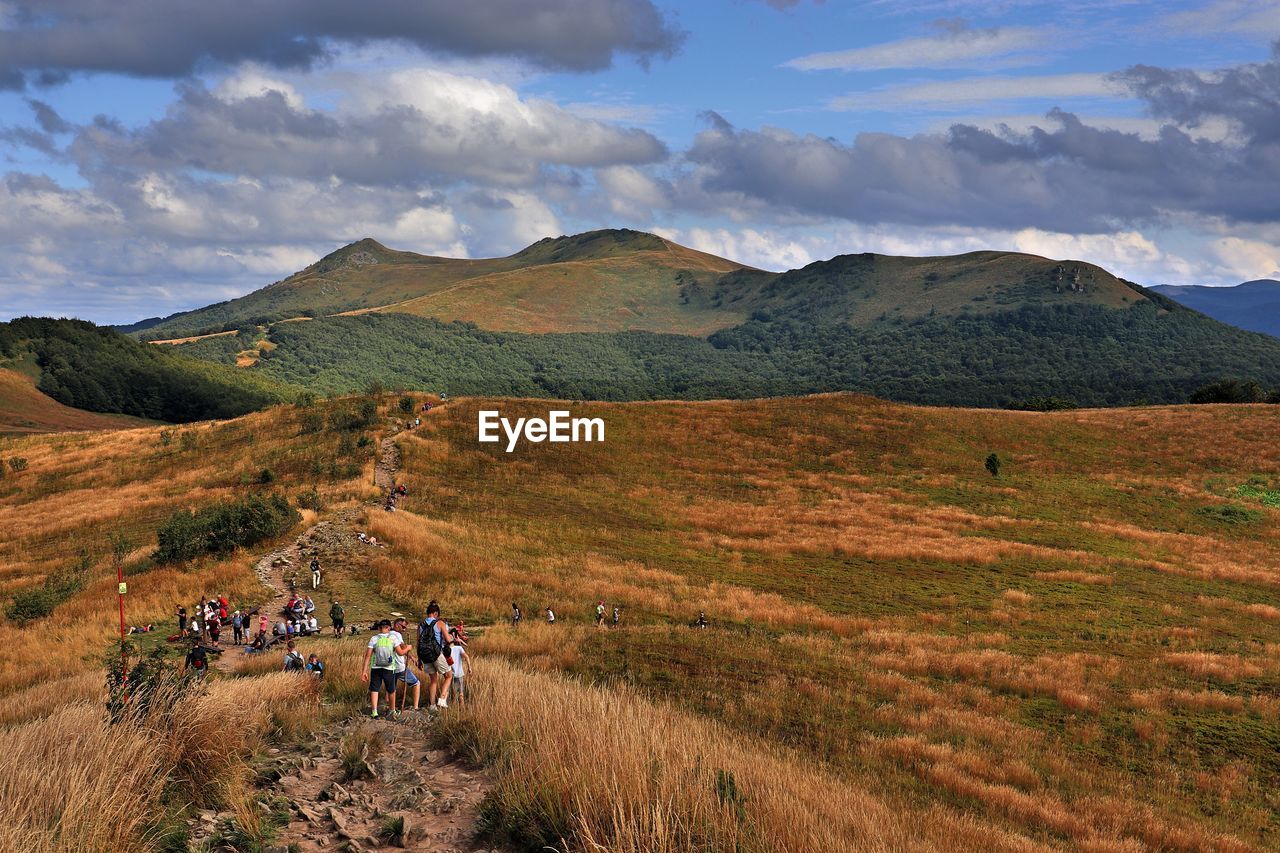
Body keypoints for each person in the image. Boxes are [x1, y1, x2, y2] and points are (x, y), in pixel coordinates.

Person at [361, 619, 402, 719]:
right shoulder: (393, 637)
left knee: (375, 689)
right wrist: (408, 648)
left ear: (379, 628)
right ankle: (392, 711)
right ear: (389, 627)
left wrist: (364, 671)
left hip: (376, 667)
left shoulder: (374, 639)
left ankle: (374, 712)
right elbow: (400, 652)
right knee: (391, 690)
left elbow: (368, 655)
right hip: (389, 668)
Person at [417, 602, 453, 710]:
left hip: (425, 655)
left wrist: (419, 659)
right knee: (449, 675)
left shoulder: (420, 625)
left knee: (433, 680)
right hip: (436, 654)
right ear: (436, 613)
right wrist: (451, 638)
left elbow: (418, 643)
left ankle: (432, 705)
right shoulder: (440, 623)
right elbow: (448, 639)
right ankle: (442, 699)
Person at [391, 617, 421, 712]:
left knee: (391, 688)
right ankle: (415, 707)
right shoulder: (397, 635)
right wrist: (409, 649)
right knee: (416, 683)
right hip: (399, 666)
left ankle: (389, 707)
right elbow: (403, 648)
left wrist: (411, 658)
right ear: (396, 625)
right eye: (403, 627)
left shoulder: (387, 634)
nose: (405, 629)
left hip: (388, 666)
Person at [449, 629, 470, 707]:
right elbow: (467, 657)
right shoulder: (459, 648)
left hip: (450, 673)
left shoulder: (446, 650)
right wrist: (469, 667)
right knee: (461, 692)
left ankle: (452, 706)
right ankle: (462, 708)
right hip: (459, 673)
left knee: (452, 691)